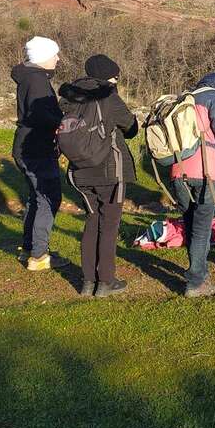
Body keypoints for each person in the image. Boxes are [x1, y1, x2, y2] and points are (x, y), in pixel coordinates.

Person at [58, 55, 138, 298]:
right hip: (109, 170)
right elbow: (131, 128)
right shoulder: (108, 97)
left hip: (79, 170)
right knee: (110, 225)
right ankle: (106, 281)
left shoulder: (69, 97)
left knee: (92, 221)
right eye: (115, 76)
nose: (116, 81)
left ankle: (87, 282)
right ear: (107, 77)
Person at [170, 71, 215, 298]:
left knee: (190, 223)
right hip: (206, 172)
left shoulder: (183, 99)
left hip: (178, 171)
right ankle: (196, 282)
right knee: (202, 227)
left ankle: (199, 273)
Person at [11, 35, 63, 272]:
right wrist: (64, 122)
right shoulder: (38, 81)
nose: (58, 59)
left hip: (26, 145)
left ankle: (29, 248)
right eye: (55, 54)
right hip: (37, 147)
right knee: (48, 198)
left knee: (35, 197)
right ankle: (39, 255)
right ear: (43, 57)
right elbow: (41, 116)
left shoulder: (30, 78)